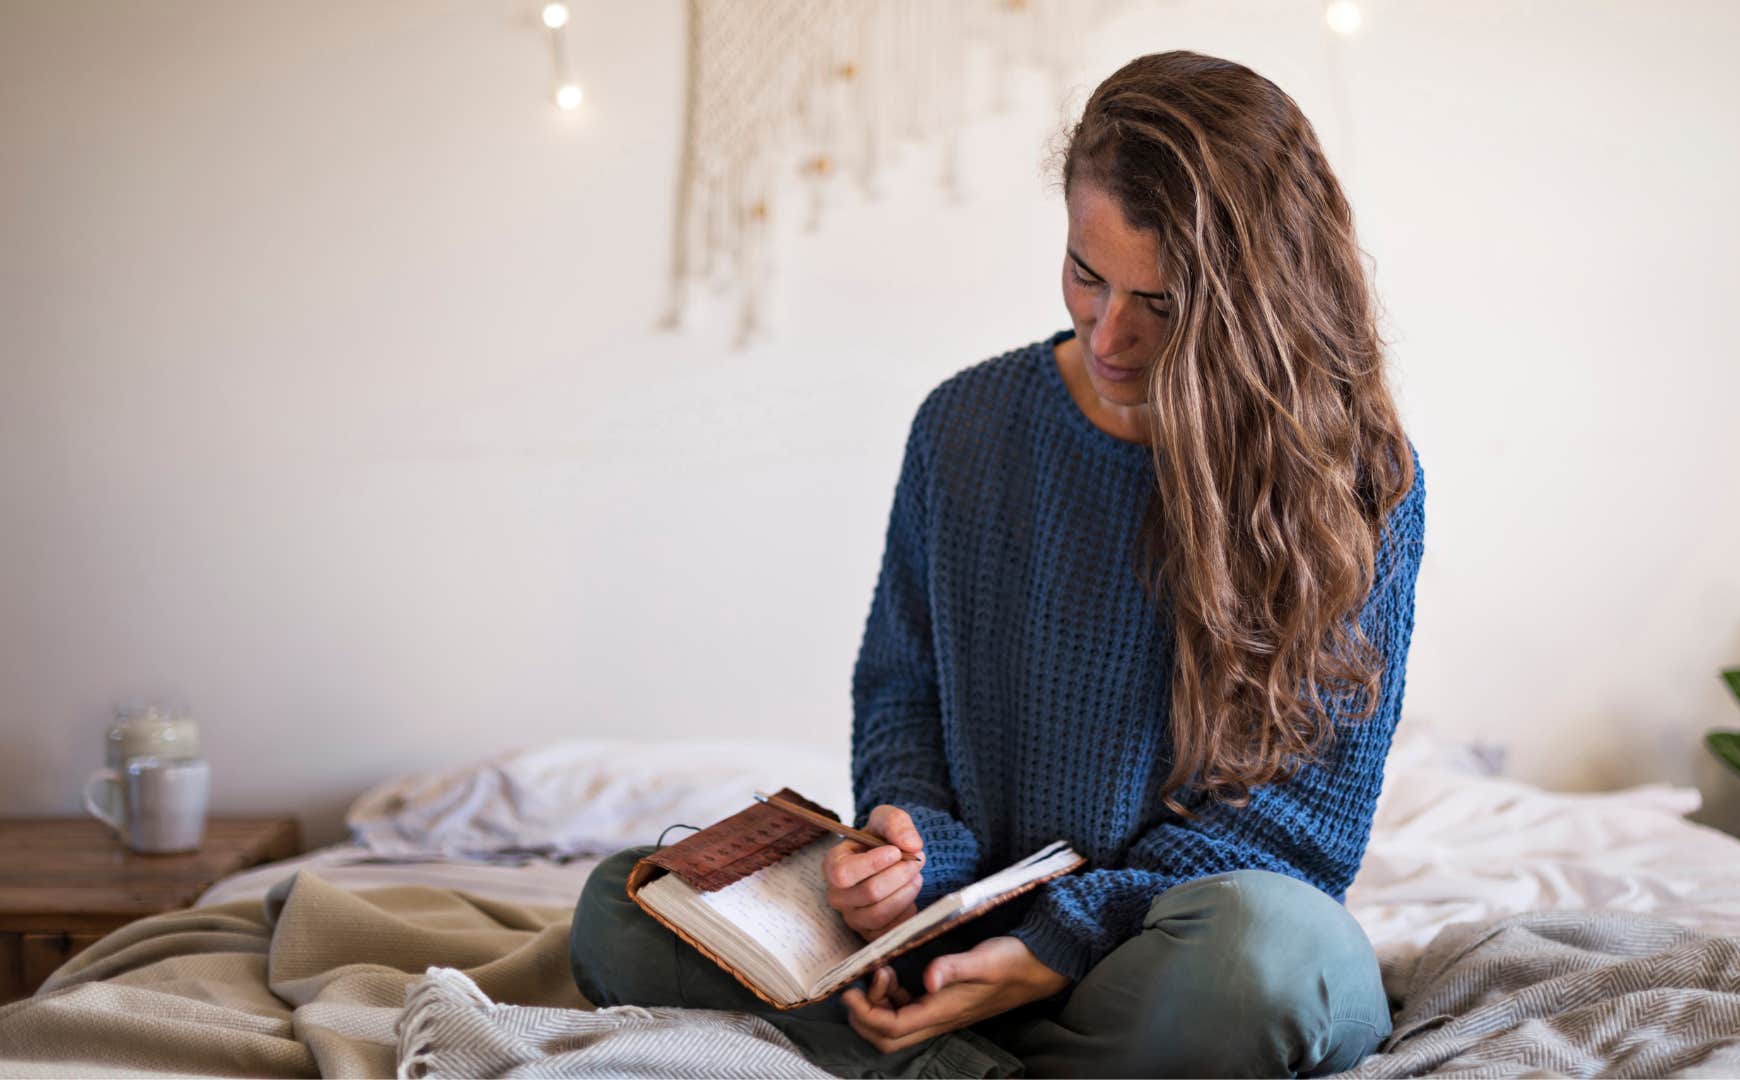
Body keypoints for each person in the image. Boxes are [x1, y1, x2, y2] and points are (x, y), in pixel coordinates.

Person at [569, 49, 1426, 1079]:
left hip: (1152, 956)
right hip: (958, 944)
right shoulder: (963, 425)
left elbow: (1297, 836)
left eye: (1161, 302)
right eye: (1085, 273)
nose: (1110, 334)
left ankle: (940, 1062)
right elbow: (902, 694)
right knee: (627, 905)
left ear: (1256, 301)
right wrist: (910, 845)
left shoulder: (1352, 479)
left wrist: (1053, 949)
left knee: (1280, 960)